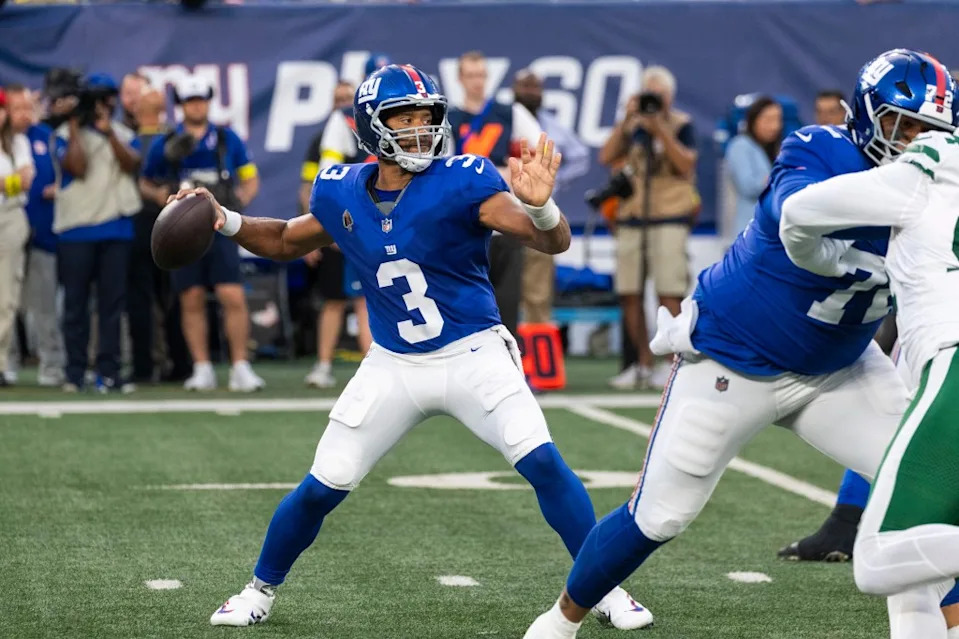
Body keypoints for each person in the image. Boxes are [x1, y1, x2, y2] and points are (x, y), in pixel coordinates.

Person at [178, 64, 650, 631]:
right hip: (394, 363)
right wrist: (223, 218)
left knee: (544, 463)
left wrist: (543, 208)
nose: (420, 130)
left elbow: (547, 239)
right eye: (405, 118)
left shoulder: (464, 179)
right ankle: (258, 590)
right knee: (320, 487)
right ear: (371, 127)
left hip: (475, 352)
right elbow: (282, 238)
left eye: (427, 118)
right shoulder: (340, 189)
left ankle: (605, 589)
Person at [522, 48, 959, 639]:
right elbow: (789, 211)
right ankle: (560, 620)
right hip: (734, 357)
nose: (914, 143)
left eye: (929, 131)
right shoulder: (823, 148)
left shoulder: (942, 186)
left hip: (841, 368)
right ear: (865, 116)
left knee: (928, 498)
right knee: (659, 516)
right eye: (901, 126)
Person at [780, 127, 959, 639]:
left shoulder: (937, 158)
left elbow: (799, 211)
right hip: (937, 355)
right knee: (918, 572)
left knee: (878, 559)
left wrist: (820, 259)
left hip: (953, 356)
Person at [140, 75, 263, 392]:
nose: (197, 105)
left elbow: (250, 178)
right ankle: (202, 366)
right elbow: (146, 181)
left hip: (219, 226)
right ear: (181, 105)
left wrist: (237, 203)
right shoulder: (166, 142)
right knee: (191, 297)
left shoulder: (226, 138)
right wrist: (163, 200)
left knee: (231, 294)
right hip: (183, 231)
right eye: (190, 100)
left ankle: (240, 365)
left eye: (201, 99)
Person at [601, 66, 699, 390]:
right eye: (647, 93)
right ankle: (642, 364)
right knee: (629, 292)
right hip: (632, 217)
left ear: (669, 96)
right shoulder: (633, 127)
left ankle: (672, 365)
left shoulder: (682, 124)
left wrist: (660, 129)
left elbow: (686, 164)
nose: (652, 100)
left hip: (669, 216)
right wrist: (626, 121)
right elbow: (606, 156)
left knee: (669, 292)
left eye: (657, 94)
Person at [54, 72, 141, 393]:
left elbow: (133, 165)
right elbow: (77, 168)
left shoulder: (121, 133)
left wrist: (108, 134)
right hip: (76, 231)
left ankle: (110, 371)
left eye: (106, 99)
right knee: (75, 306)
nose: (102, 106)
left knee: (112, 307)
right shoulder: (63, 134)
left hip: (116, 230)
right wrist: (77, 124)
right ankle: (74, 373)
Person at [449, 51, 544, 338]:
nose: (477, 82)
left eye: (481, 75)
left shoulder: (509, 112)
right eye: (471, 75)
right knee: (464, 303)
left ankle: (510, 370)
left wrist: (514, 170)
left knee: (507, 302)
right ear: (460, 78)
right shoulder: (448, 117)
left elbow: (539, 152)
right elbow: (441, 166)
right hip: (462, 220)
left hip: (505, 217)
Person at [299, 78, 373, 389]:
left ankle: (374, 369)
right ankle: (324, 363)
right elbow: (311, 186)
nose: (344, 103)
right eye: (339, 98)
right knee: (332, 300)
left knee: (365, 301)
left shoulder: (373, 130)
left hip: (369, 227)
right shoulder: (324, 137)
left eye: (348, 97)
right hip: (337, 224)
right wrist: (314, 228)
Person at [512, 69, 590, 325]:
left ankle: (537, 354)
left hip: (537, 211)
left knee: (538, 291)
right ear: (514, 89)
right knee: (501, 289)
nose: (530, 93)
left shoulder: (550, 125)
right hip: (503, 211)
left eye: (535, 87)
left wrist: (554, 180)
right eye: (525, 87)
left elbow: (580, 156)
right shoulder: (503, 119)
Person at [5, 85, 62, 387]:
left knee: (45, 304)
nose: (24, 114)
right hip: (7, 230)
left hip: (42, 231)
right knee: (7, 301)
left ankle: (51, 364)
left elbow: (60, 177)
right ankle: (8, 361)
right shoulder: (5, 142)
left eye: (29, 107)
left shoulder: (46, 138)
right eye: (18, 108)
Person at [0, 88, 35, 387]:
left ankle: (1, 363)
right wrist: (11, 182)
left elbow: (25, 181)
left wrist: (6, 184)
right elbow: (17, 180)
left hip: (10, 217)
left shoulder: (19, 143)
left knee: (6, 297)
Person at [726, 96, 782, 236]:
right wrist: (781, 176)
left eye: (778, 120)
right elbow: (748, 186)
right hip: (750, 233)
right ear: (753, 121)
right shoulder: (740, 145)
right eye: (768, 120)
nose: (774, 126)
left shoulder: (775, 150)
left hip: (773, 233)